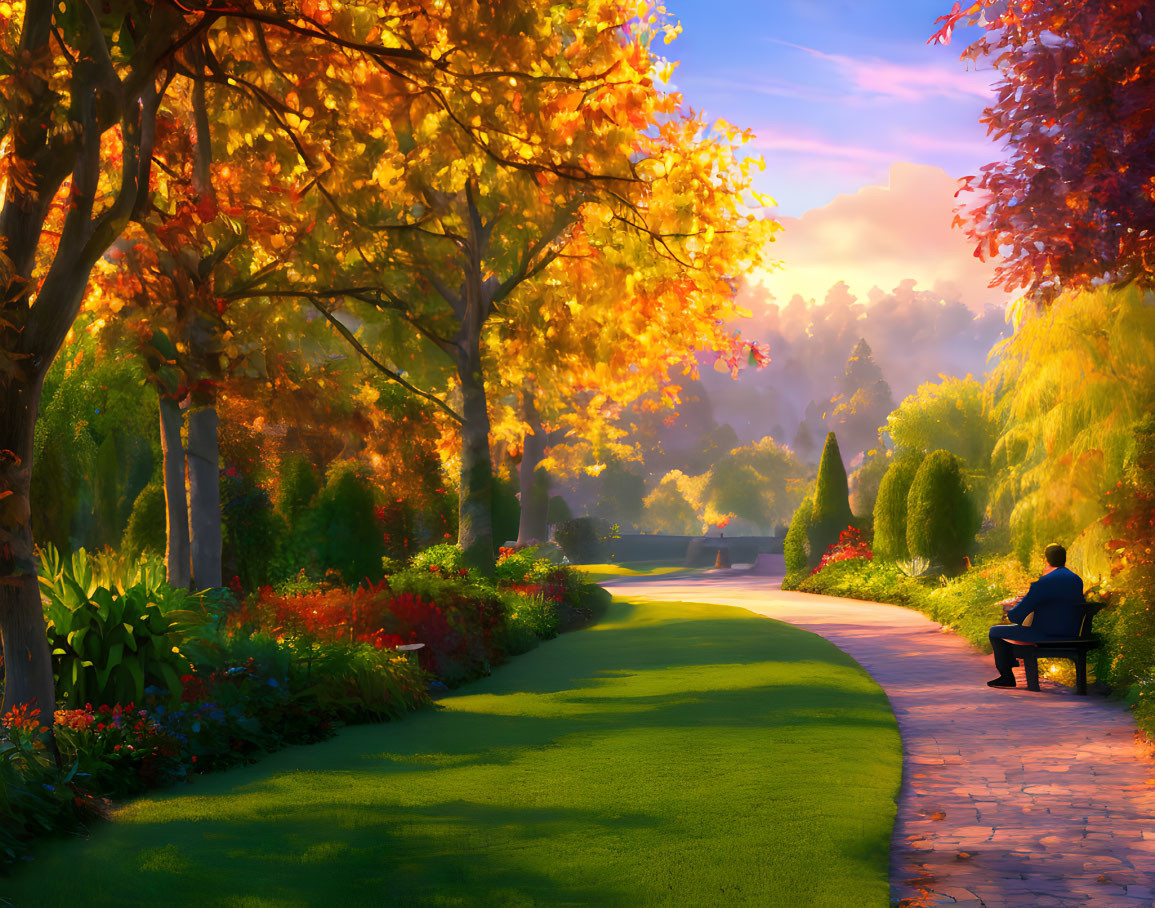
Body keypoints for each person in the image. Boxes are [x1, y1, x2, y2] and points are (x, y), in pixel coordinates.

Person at [987, 543, 1085, 688]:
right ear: (1064, 559)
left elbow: (1017, 616)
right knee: (1013, 633)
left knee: (995, 632)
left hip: (1045, 634)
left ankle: (1007, 676)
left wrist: (1010, 611)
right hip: (1072, 632)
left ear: (1046, 560)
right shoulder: (1076, 580)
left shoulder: (1044, 582)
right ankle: (1011, 661)